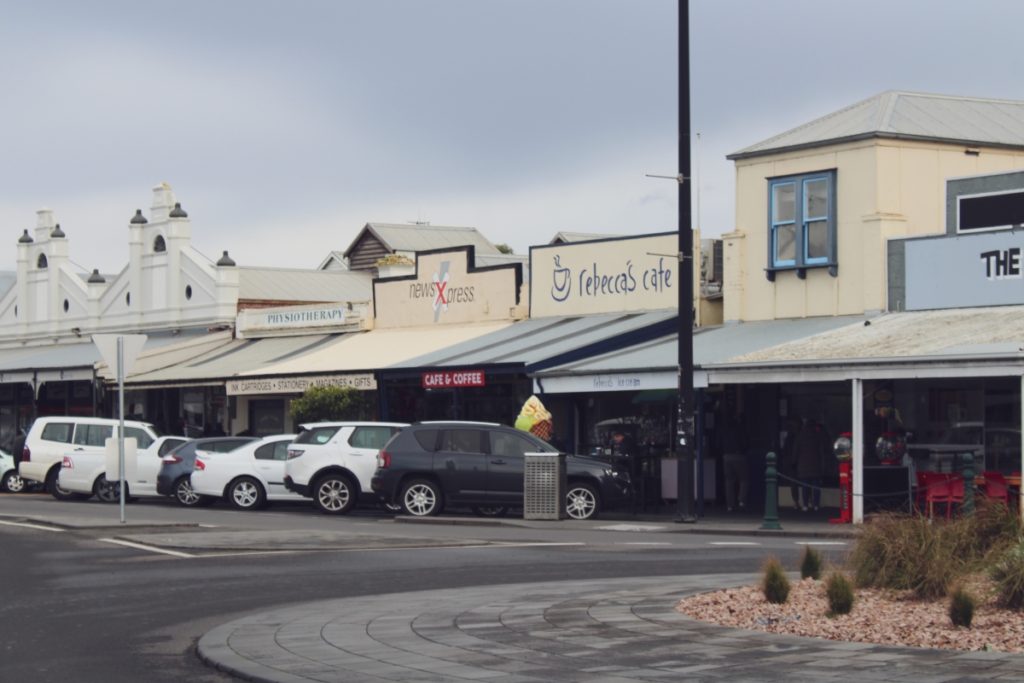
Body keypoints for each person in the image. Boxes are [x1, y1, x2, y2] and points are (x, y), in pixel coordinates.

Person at [793, 418, 828, 511]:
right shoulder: (817, 436)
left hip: (803, 466)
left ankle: (805, 505)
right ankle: (816, 505)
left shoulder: (800, 436)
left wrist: (794, 462)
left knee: (805, 486)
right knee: (816, 486)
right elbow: (822, 451)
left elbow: (795, 451)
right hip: (816, 466)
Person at [720, 406, 749, 512]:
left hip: (726, 455)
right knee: (744, 479)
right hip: (739, 455)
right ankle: (741, 501)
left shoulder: (724, 428)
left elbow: (719, 441)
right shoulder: (740, 427)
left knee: (729, 481)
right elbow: (745, 441)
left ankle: (730, 505)